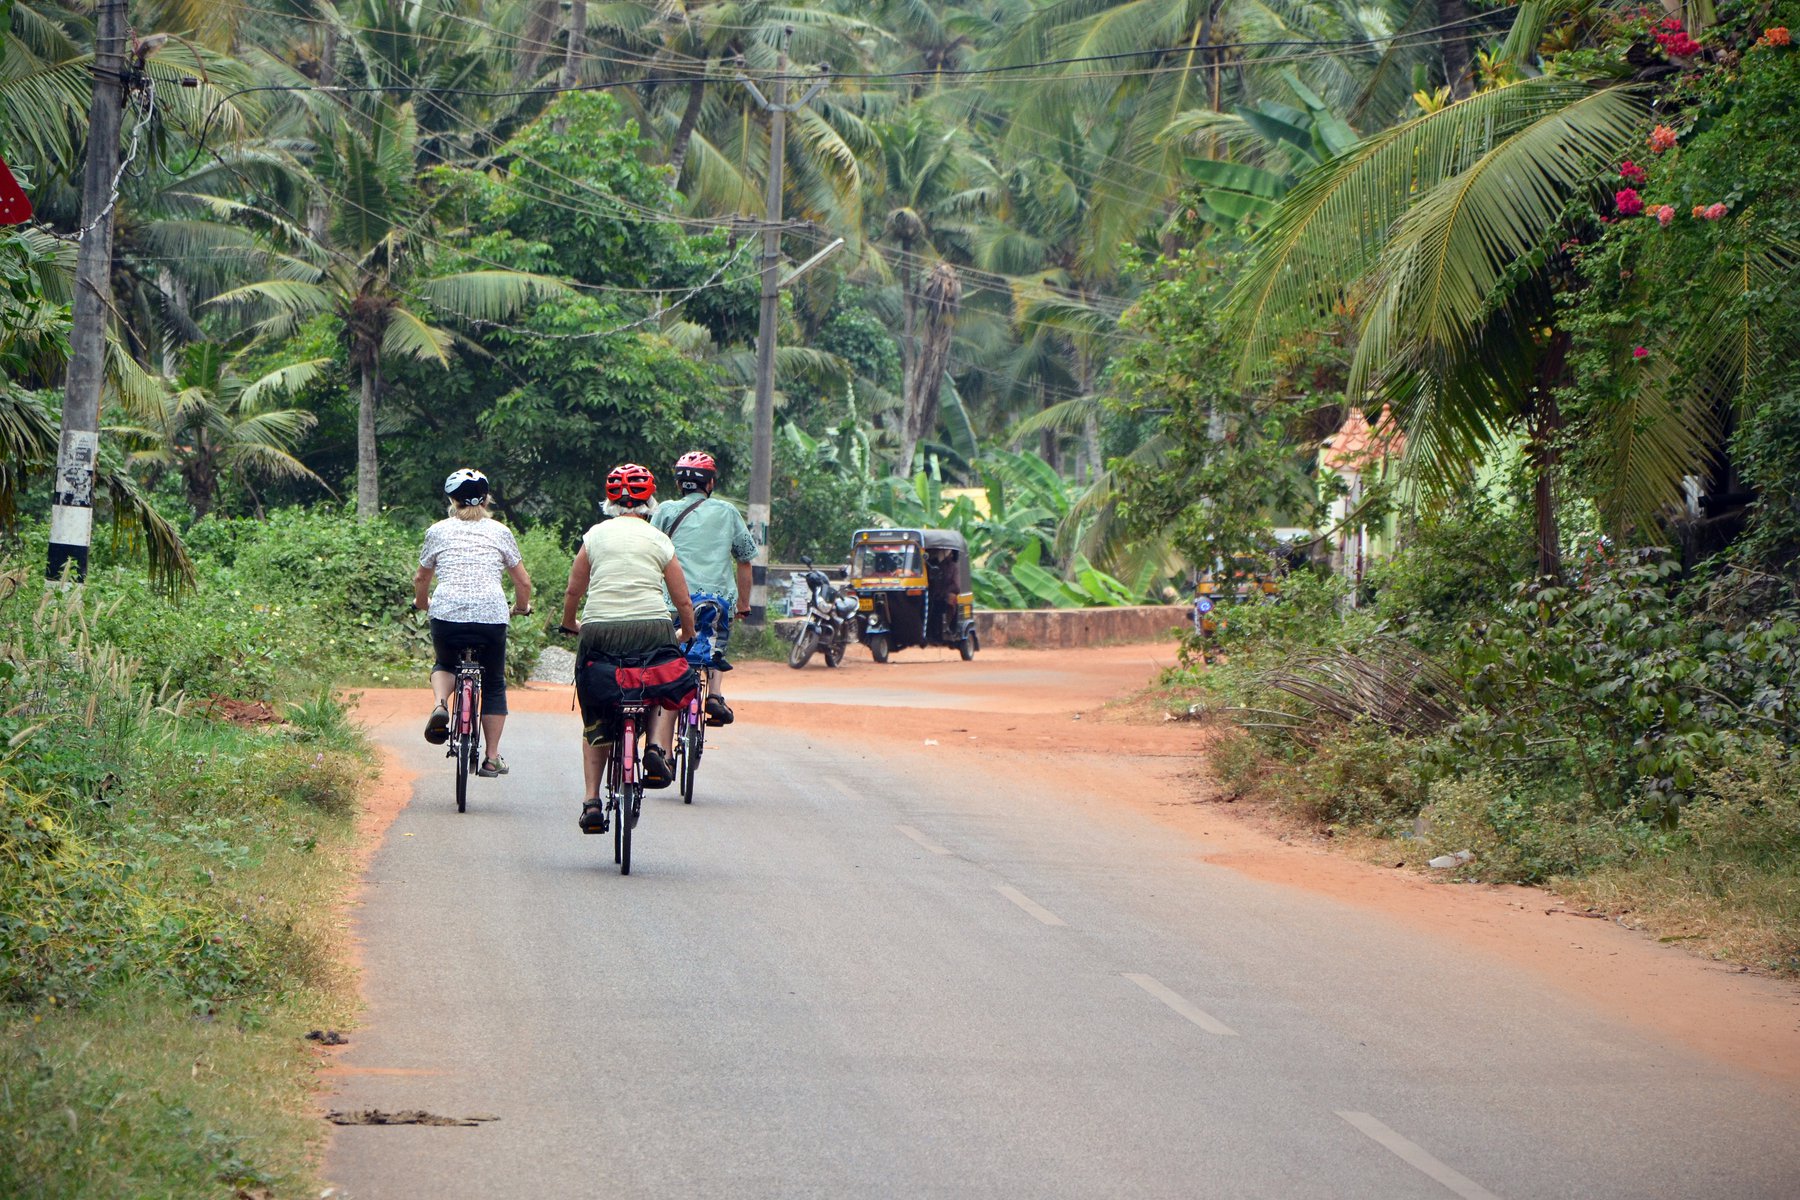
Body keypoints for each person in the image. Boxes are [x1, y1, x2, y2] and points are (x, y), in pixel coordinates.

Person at [561, 463, 697, 833]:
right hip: (652, 627)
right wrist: (686, 632)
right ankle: (654, 746)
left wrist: (570, 623)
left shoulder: (594, 536)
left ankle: (591, 802)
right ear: (649, 501)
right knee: (657, 681)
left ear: (609, 501)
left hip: (599, 629)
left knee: (596, 714)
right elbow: (682, 600)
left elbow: (574, 590)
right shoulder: (658, 540)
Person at [414, 469, 531, 776]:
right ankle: (491, 757)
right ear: (487, 498)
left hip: (447, 615)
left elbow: (421, 577)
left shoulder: (437, 531)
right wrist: (521, 607)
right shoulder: (500, 532)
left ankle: (441, 705)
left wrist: (422, 602)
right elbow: (523, 582)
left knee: (444, 663)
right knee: (492, 682)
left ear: (452, 499)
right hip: (491, 617)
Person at [652, 450, 757, 726]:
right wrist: (743, 605)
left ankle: (663, 736)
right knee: (715, 636)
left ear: (678, 484)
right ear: (710, 484)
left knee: (674, 658)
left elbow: (649, 554)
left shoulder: (664, 511)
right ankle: (715, 695)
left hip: (672, 601)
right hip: (716, 599)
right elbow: (745, 559)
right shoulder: (727, 511)